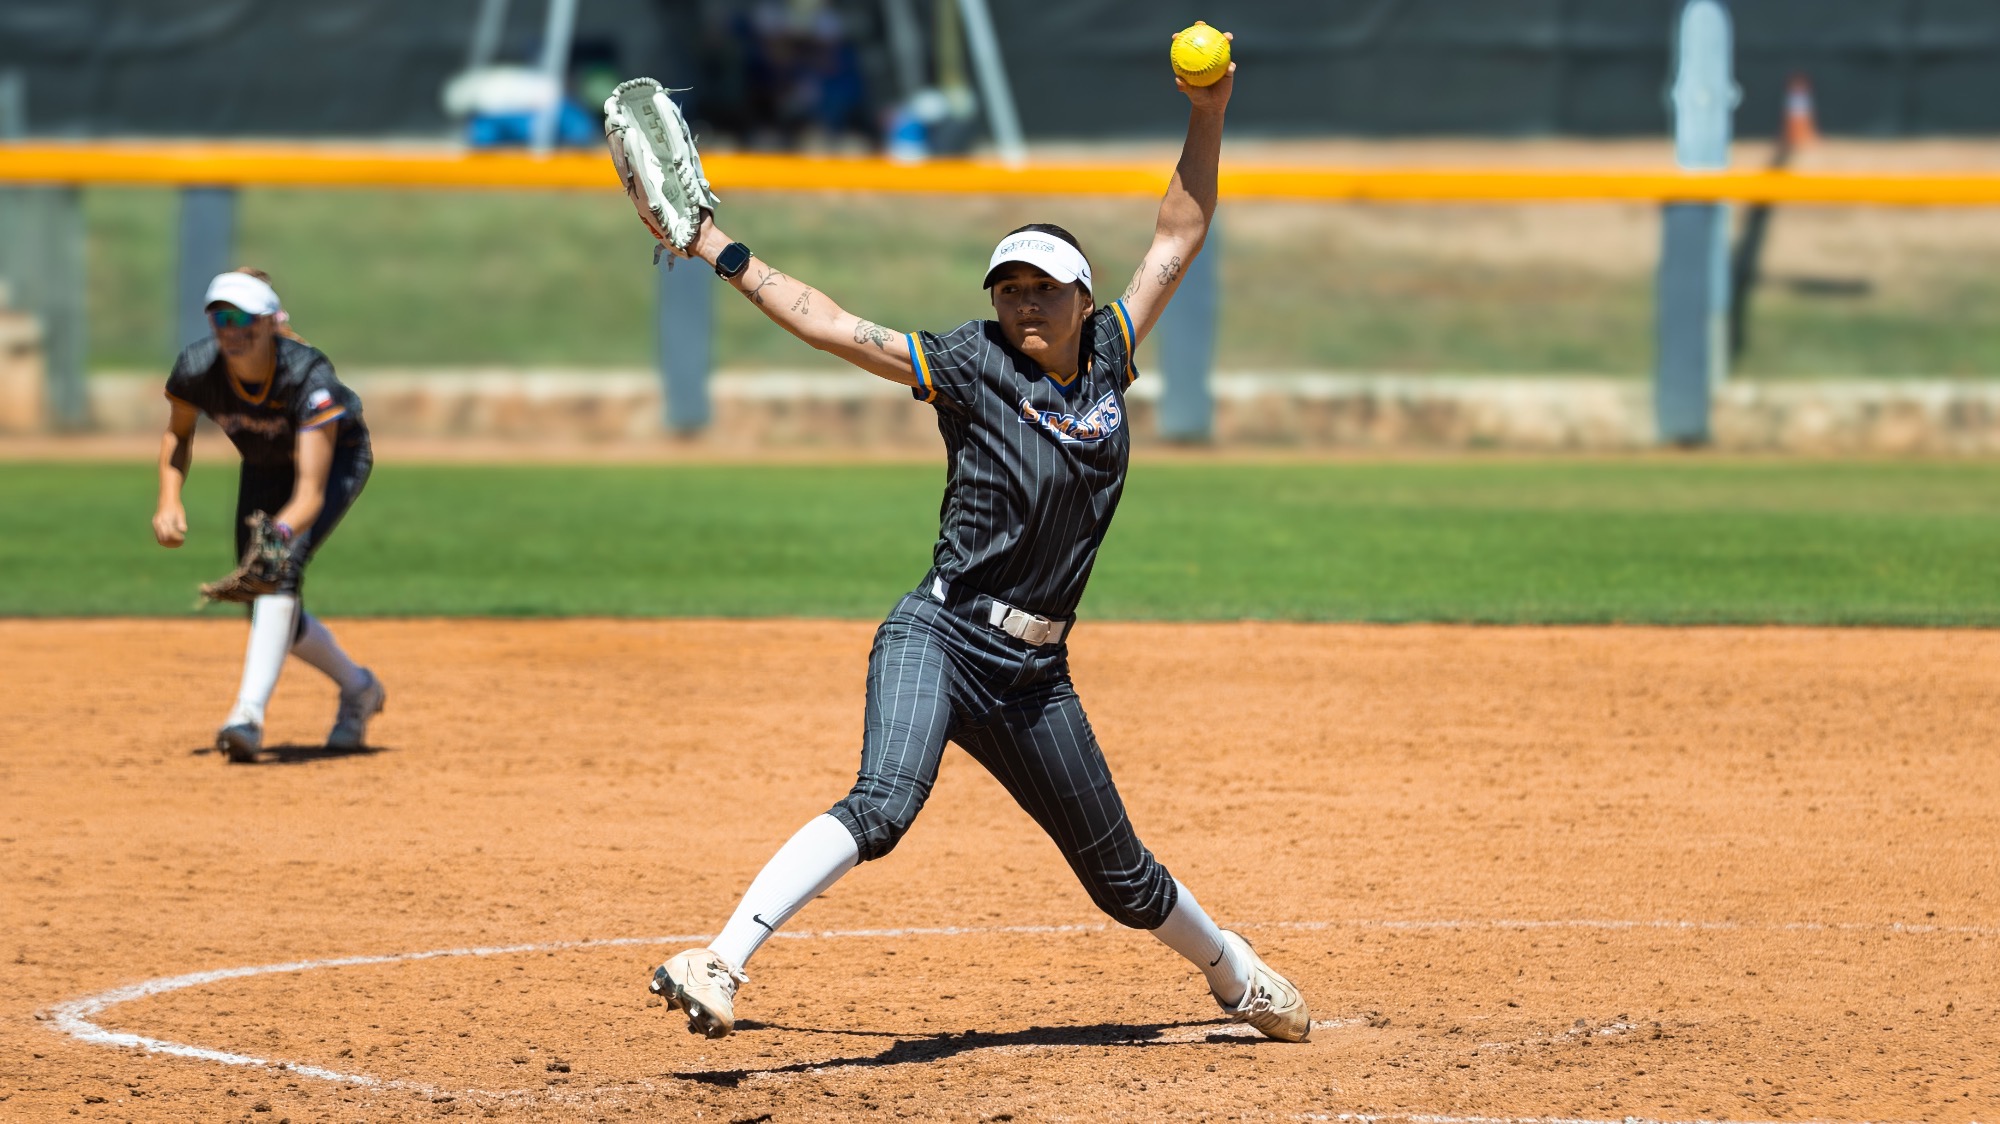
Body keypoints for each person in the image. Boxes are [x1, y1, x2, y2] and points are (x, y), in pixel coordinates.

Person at [647, 31, 1309, 1043]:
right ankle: (720, 959)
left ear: (1084, 298)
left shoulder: (1108, 353)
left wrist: (1207, 111)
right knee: (883, 803)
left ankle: (1236, 974)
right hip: (942, 634)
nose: (1024, 302)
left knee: (1123, 879)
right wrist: (718, 250)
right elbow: (835, 325)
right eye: (1009, 288)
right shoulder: (970, 363)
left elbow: (1179, 230)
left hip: (1034, 675)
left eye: (1044, 287)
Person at [152, 269, 386, 763]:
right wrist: (169, 500)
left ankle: (247, 716)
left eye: (242, 319)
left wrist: (277, 536)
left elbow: (309, 493)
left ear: (268, 323)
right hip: (264, 463)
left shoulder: (307, 376)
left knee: (279, 570)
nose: (230, 330)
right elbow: (179, 433)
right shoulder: (197, 368)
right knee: (261, 596)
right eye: (220, 318)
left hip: (335, 462)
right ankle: (359, 688)